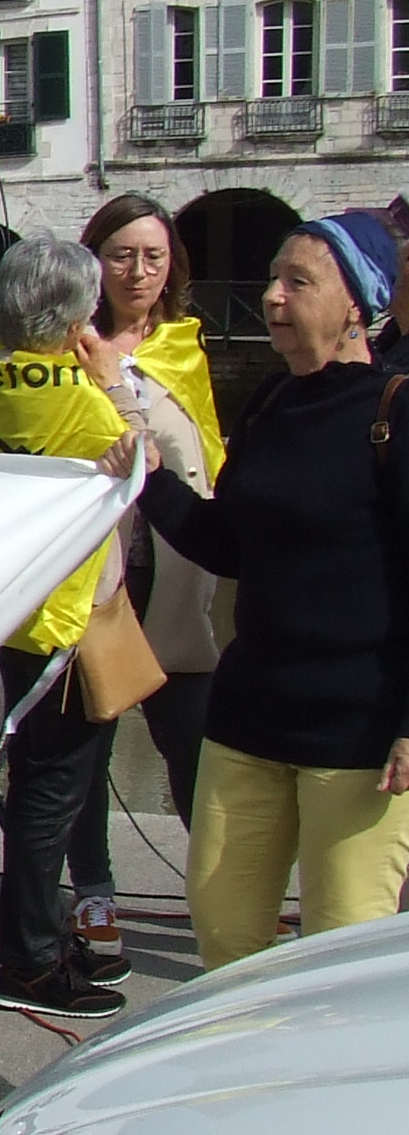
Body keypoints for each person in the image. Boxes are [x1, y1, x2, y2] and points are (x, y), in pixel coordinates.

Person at [101, 211, 409, 967]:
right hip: (248, 716)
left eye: (297, 282)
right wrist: (149, 482)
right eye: (273, 278)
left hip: (358, 734)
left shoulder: (394, 411)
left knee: (342, 960)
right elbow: (227, 545)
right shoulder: (271, 404)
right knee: (227, 938)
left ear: (356, 304)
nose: (272, 296)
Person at [0, 237, 139, 1021]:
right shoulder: (76, 398)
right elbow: (148, 459)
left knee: (44, 785)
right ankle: (30, 961)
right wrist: (116, 378)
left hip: (15, 608)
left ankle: (34, 945)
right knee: (49, 796)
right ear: (75, 318)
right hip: (62, 621)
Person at [60, 196, 224, 983]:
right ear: (96, 262)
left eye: (154, 257)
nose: (139, 272)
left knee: (195, 747)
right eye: (123, 255)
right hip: (98, 581)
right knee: (85, 751)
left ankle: (225, 893)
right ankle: (92, 894)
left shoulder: (185, 349)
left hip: (178, 582)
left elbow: (198, 458)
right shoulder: (64, 349)